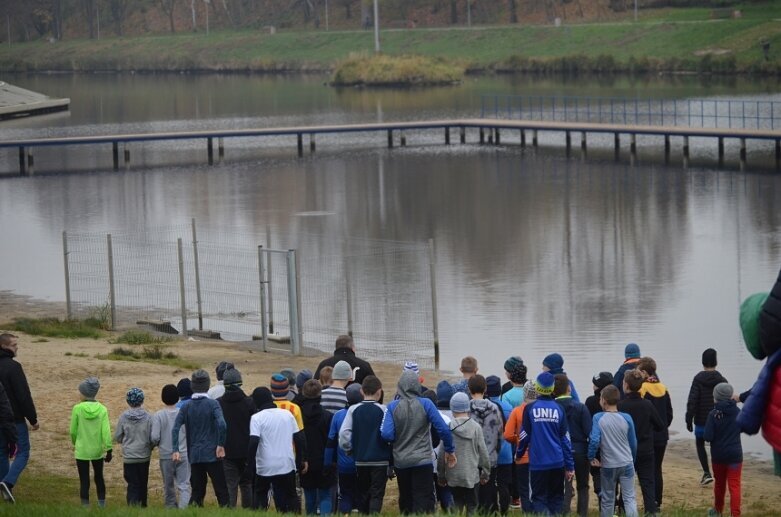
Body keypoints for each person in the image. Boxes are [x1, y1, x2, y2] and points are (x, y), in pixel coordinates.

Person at [381, 370, 456, 514]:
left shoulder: (392, 406)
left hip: (401, 461)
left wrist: (400, 437)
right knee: (423, 498)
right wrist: (449, 449)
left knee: (406, 498)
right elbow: (443, 429)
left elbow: (386, 434)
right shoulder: (426, 404)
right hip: (423, 460)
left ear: (400, 386)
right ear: (417, 386)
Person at [516, 372, 574, 515]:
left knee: (539, 498)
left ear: (537, 387)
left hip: (538, 463)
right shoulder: (559, 409)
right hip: (557, 462)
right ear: (552, 388)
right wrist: (570, 466)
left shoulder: (530, 409)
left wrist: (519, 453)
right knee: (556, 498)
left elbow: (524, 436)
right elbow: (565, 439)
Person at [247, 382, 308, 512]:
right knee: (290, 496)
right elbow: (299, 439)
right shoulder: (287, 415)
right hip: (286, 464)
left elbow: (253, 442)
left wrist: (250, 465)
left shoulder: (257, 418)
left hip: (265, 466)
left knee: (260, 494)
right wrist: (299, 462)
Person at [172, 369, 229, 507]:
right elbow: (222, 424)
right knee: (221, 490)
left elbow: (175, 428)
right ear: (208, 385)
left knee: (197, 492)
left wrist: (176, 449)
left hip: (195, 453)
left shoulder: (187, 406)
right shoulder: (213, 404)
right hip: (212, 453)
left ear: (193, 386)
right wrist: (220, 445)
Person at [340, 375, 392, 514]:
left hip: (361, 459)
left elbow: (344, 434)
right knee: (377, 493)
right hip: (380, 459)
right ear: (379, 391)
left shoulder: (353, 410)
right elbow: (389, 433)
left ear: (362, 391)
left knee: (363, 492)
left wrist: (349, 449)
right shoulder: (384, 409)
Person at [618, 369, 664, 516]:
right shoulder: (647, 405)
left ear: (625, 385)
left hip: (626, 451)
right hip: (645, 449)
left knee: (626, 483)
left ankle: (623, 509)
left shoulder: (620, 406)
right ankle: (650, 511)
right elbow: (660, 425)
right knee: (647, 483)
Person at [588, 385, 638, 517]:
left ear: (603, 400)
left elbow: (594, 440)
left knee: (608, 500)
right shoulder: (627, 418)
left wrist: (591, 457)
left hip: (609, 465)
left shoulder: (598, 417)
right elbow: (633, 442)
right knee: (629, 498)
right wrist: (633, 458)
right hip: (626, 463)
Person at [437, 392, 490, 516]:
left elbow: (441, 455)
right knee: (472, 505)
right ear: (467, 408)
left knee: (457, 503)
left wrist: (441, 475)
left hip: (453, 475)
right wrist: (485, 473)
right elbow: (483, 452)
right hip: (471, 475)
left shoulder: (448, 427)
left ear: (452, 408)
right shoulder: (476, 427)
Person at [0, 333, 38, 502]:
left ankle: (4, 487)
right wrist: (33, 418)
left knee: (2, 452)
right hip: (14, 417)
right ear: (4, 346)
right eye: (13, 345)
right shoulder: (13, 367)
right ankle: (8, 482)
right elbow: (23, 395)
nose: (17, 348)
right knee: (23, 452)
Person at [686, 348, 728, 486]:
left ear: (702, 362)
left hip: (702, 421)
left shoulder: (698, 379)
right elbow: (727, 401)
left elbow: (693, 400)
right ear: (716, 362)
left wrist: (688, 418)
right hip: (718, 421)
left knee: (700, 443)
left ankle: (706, 472)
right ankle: (719, 474)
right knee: (716, 446)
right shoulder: (722, 380)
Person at [636, 357, 673, 510]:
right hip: (662, 436)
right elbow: (670, 414)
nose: (637, 374)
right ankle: (658, 500)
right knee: (657, 468)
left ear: (644, 372)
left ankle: (650, 503)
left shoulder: (642, 389)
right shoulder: (664, 388)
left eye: (639, 371)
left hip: (648, 436)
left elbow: (641, 412)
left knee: (647, 471)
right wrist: (663, 427)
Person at [69, 377, 111, 508]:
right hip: (97, 450)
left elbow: (72, 431)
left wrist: (76, 442)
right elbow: (106, 431)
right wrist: (109, 449)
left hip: (82, 450)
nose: (79, 393)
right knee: (99, 478)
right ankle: (102, 505)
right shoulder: (103, 409)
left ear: (85, 393)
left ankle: (85, 507)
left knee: (84, 480)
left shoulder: (77, 408)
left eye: (80, 391)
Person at [554, 374, 591, 517]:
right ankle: (582, 514)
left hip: (560, 450)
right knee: (583, 485)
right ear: (569, 388)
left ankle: (565, 512)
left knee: (564, 485)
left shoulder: (553, 408)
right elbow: (589, 432)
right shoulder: (581, 407)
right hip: (580, 451)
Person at [217, 368, 255, 508]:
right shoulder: (250, 403)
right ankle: (248, 512)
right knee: (247, 484)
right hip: (246, 451)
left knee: (230, 486)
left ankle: (230, 512)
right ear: (240, 383)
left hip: (227, 451)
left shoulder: (218, 404)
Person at [704, 383, 743, 517]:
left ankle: (718, 510)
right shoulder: (738, 412)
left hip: (719, 455)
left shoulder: (713, 414)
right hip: (735, 454)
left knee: (720, 484)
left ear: (716, 397)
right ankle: (735, 514)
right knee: (735, 485)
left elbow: (708, 437)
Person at [468, 375, 505, 515]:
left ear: (469, 389)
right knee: (488, 495)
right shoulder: (495, 408)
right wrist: (496, 451)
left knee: (472, 496)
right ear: (485, 388)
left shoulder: (467, 408)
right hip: (490, 458)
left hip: (470, 458)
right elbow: (501, 434)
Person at [324, 383, 363, 515]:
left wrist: (327, 463)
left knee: (345, 495)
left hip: (344, 464)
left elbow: (330, 442)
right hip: (363, 463)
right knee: (362, 494)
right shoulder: (365, 413)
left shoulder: (338, 415)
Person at [298, 380, 335, 516]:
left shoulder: (298, 416)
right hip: (324, 461)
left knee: (310, 497)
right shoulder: (328, 416)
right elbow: (332, 440)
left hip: (305, 461)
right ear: (320, 395)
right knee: (325, 495)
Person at [151, 383, 190, 509]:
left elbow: (154, 437)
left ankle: (170, 508)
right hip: (183, 453)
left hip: (166, 454)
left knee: (168, 484)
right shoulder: (184, 413)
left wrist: (158, 444)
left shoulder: (158, 415)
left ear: (163, 398)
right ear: (177, 397)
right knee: (184, 484)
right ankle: (184, 509)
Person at [114, 387, 152, 507]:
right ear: (142, 400)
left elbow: (118, 437)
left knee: (132, 483)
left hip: (129, 456)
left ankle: (132, 507)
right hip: (144, 455)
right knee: (142, 482)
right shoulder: (148, 417)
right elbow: (152, 436)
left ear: (128, 401)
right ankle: (143, 506)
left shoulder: (123, 417)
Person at [504, 380, 537, 513]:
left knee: (524, 490)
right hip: (539, 456)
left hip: (522, 456)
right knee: (538, 489)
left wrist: (518, 440)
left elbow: (507, 434)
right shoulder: (541, 410)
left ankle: (527, 512)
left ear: (524, 394)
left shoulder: (517, 411)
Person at [486, 375, 513, 515]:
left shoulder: (485, 407)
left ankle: (492, 509)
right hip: (506, 451)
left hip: (489, 452)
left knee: (490, 483)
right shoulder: (508, 407)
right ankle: (504, 510)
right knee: (504, 484)